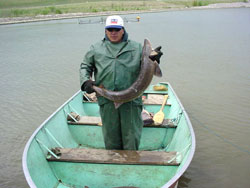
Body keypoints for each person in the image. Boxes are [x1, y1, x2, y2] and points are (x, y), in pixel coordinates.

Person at [79, 15, 162, 150]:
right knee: (111, 139)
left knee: (132, 137)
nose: (113, 32)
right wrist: (85, 81)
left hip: (132, 101)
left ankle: (131, 165)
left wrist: (155, 60)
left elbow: (149, 67)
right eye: (110, 29)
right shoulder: (95, 48)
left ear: (123, 30)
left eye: (116, 29)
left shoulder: (137, 47)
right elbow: (85, 66)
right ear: (105, 30)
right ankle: (114, 166)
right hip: (107, 101)